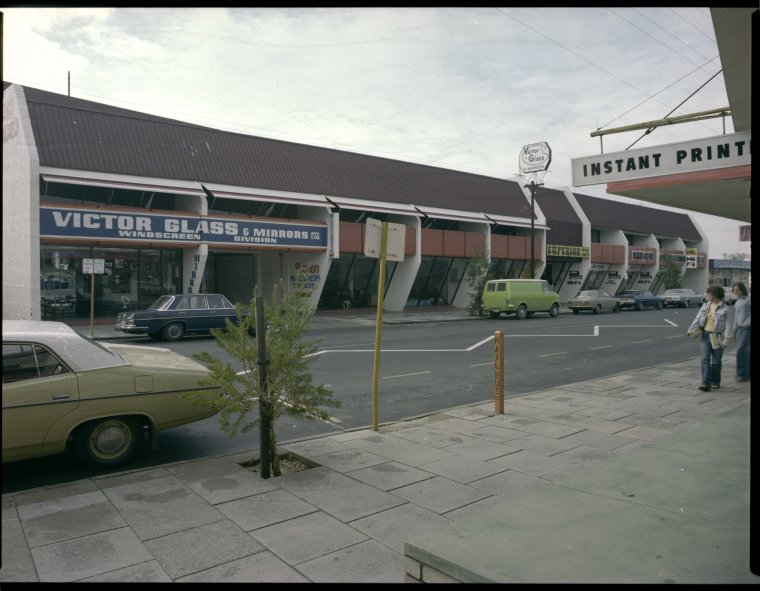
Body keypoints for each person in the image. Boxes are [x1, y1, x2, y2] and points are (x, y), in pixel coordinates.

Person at [687, 285, 730, 391]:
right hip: (705, 335)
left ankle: (715, 382)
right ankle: (705, 383)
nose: (707, 296)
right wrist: (690, 330)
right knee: (704, 359)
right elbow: (698, 319)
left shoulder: (725, 308)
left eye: (709, 294)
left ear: (715, 295)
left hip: (717, 336)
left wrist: (726, 340)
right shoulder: (705, 305)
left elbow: (729, 326)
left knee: (716, 362)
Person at [730, 282, 751, 382]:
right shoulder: (737, 302)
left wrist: (748, 322)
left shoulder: (748, 300)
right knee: (745, 351)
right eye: (734, 290)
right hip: (740, 328)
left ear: (742, 289)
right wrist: (734, 331)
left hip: (747, 328)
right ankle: (747, 373)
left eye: (737, 289)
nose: (735, 291)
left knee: (741, 350)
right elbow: (736, 317)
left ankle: (742, 374)